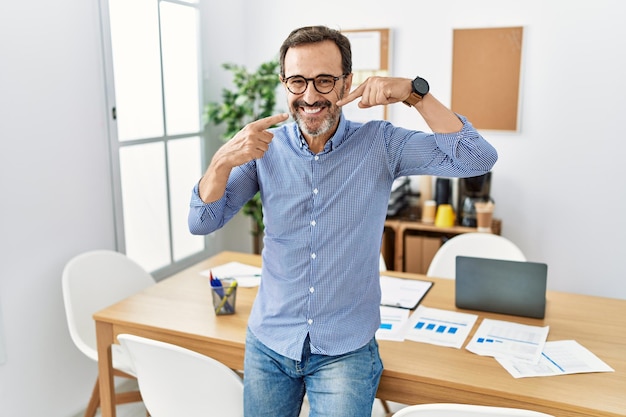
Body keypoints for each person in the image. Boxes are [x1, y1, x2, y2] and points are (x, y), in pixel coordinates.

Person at [189, 25, 497, 417]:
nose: (311, 96)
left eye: (324, 81)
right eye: (298, 82)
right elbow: (201, 221)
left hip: (344, 351)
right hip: (270, 342)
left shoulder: (381, 144)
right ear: (285, 83)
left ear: (347, 82)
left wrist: (414, 94)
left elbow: (476, 157)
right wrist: (220, 162)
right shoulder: (264, 148)